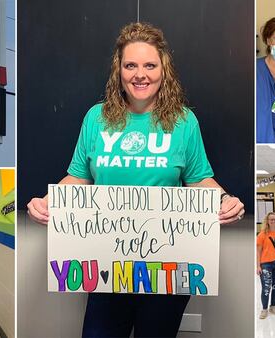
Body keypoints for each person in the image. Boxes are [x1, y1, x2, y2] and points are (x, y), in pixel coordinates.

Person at [26, 22, 245, 337]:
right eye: (131, 65)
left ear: (163, 70)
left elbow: (199, 180)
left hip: (166, 265)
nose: (140, 74)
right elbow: (79, 177)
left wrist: (226, 202)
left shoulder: (184, 121)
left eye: (149, 65)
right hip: (106, 262)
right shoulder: (95, 118)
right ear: (119, 70)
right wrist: (48, 204)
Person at [256, 212, 275, 319]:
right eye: (271, 219)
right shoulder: (262, 234)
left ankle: (273, 306)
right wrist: (258, 266)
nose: (273, 221)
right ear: (267, 221)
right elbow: (258, 251)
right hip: (266, 264)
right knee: (266, 287)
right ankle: (264, 309)